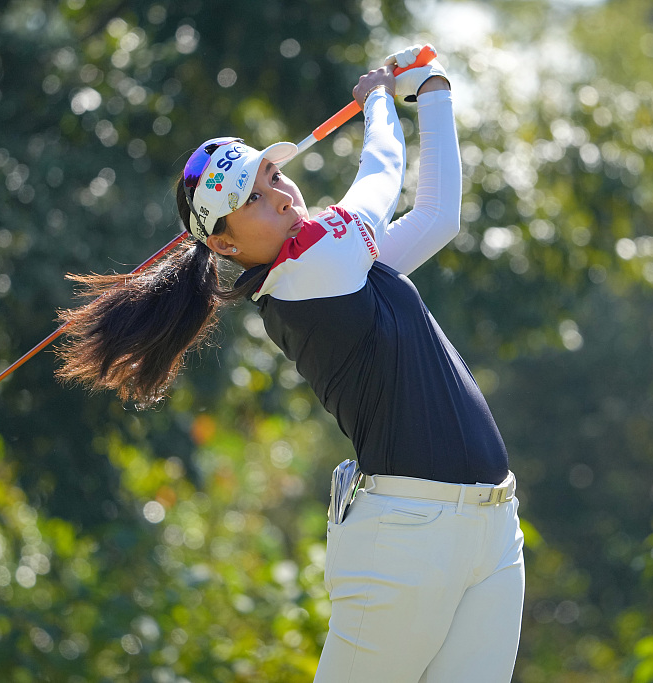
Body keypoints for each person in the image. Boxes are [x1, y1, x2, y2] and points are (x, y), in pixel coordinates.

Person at [55, 46, 525, 682]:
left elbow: (437, 217)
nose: (279, 194)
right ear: (223, 244)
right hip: (406, 537)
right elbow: (381, 179)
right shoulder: (307, 269)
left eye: (272, 177)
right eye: (252, 197)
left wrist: (435, 94)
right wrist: (379, 100)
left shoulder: (339, 266)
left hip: (492, 525)